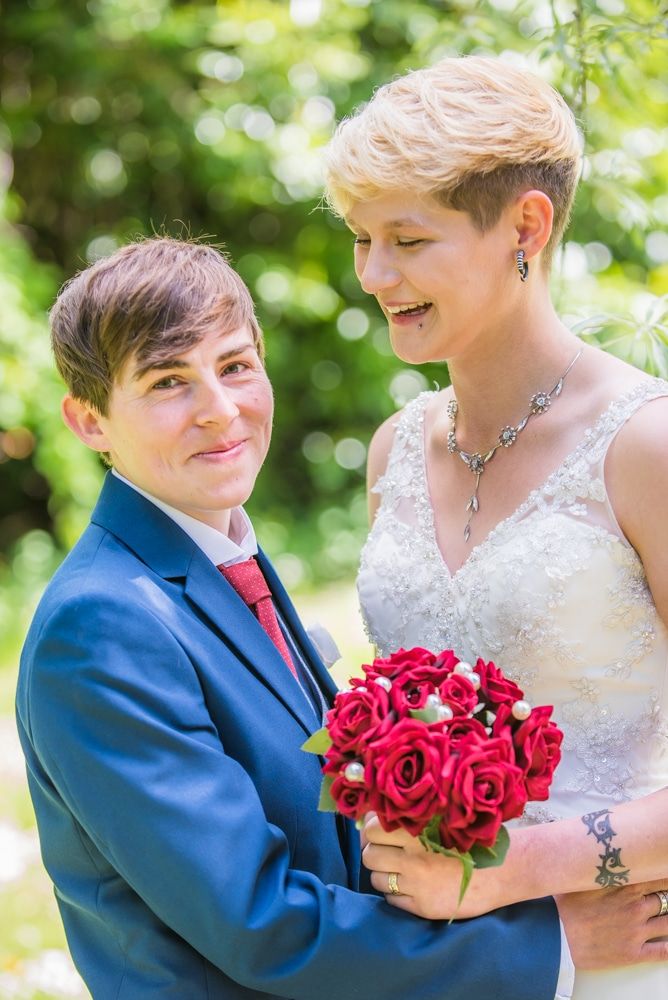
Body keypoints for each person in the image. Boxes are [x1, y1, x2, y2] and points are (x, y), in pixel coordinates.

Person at [15, 235, 597, 1000]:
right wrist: (554, 945)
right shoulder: (100, 625)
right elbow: (262, 924)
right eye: (167, 383)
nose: (219, 412)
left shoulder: (221, 556)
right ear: (89, 420)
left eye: (233, 367)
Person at [323, 54, 668, 999]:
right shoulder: (394, 449)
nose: (373, 274)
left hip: (620, 955)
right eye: (360, 238)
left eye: (406, 238)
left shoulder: (645, 446)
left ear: (526, 224)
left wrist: (512, 872)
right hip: (433, 967)